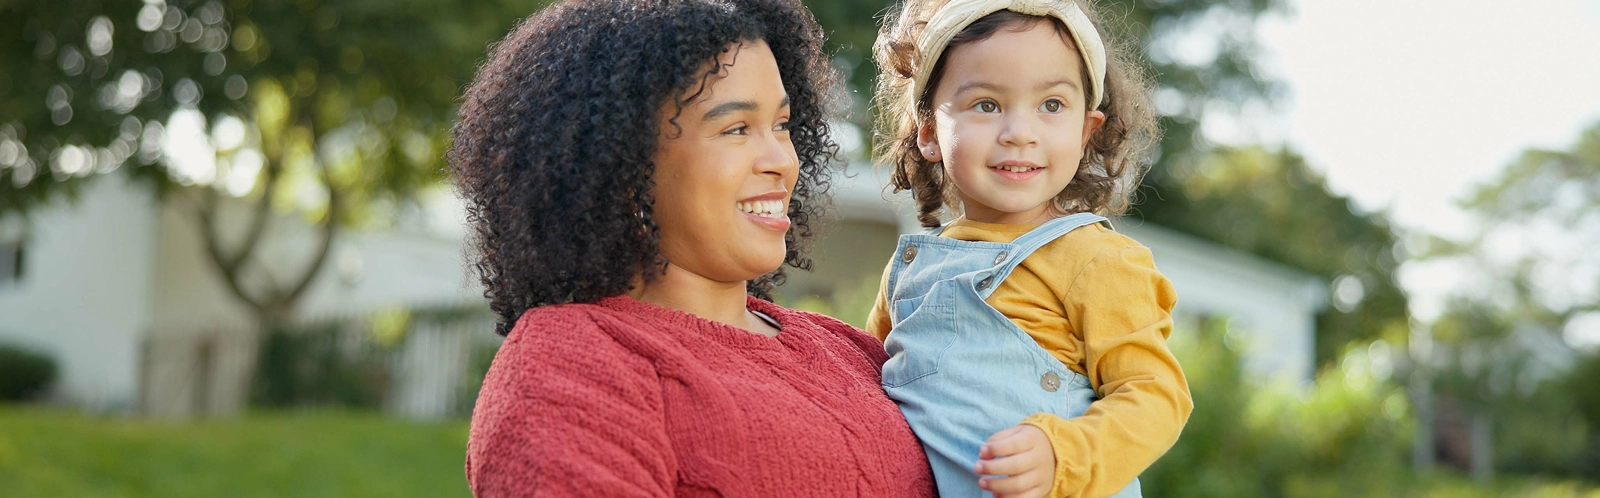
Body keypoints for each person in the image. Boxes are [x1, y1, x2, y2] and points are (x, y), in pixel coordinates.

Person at [448, 0, 935, 495]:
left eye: (782, 125)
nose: (781, 161)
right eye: (736, 128)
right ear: (625, 168)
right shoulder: (569, 365)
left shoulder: (854, 352)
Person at [866, 0, 1192, 496]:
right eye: (987, 105)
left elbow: (1156, 394)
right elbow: (861, 377)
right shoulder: (910, 270)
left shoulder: (1096, 259)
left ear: (1086, 132)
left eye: (1052, 106)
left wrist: (1064, 452)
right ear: (929, 131)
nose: (1020, 133)